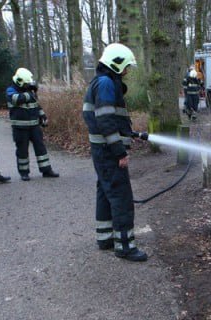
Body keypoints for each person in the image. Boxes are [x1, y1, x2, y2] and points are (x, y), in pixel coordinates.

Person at [82, 43, 148, 262]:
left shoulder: (101, 82)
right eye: (126, 67)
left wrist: (129, 133)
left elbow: (109, 118)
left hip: (101, 150)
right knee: (121, 197)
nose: (127, 71)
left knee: (105, 191)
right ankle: (125, 245)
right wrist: (120, 151)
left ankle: (105, 237)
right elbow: (106, 120)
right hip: (109, 151)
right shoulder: (107, 84)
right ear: (116, 64)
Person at [6, 68, 59, 181]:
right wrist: (30, 93)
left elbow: (36, 105)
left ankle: (46, 170)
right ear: (19, 81)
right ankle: (24, 172)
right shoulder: (11, 90)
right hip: (20, 127)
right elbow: (16, 99)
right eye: (26, 84)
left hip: (34, 126)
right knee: (22, 150)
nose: (27, 85)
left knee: (41, 149)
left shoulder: (29, 90)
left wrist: (42, 116)